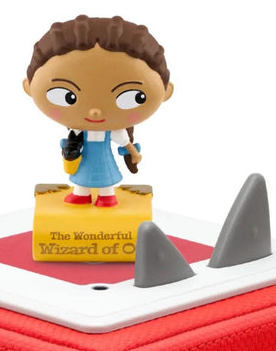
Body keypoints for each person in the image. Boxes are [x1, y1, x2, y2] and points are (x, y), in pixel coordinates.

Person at [23, 15, 173, 207]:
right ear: (29, 87)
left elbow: (124, 142)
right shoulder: (77, 131)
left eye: (132, 96)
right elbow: (72, 142)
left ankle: (107, 197)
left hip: (104, 160)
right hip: (84, 161)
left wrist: (133, 153)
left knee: (105, 178)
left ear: (166, 92)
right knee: (81, 178)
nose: (95, 112)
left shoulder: (115, 131)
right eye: (67, 95)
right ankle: (81, 195)